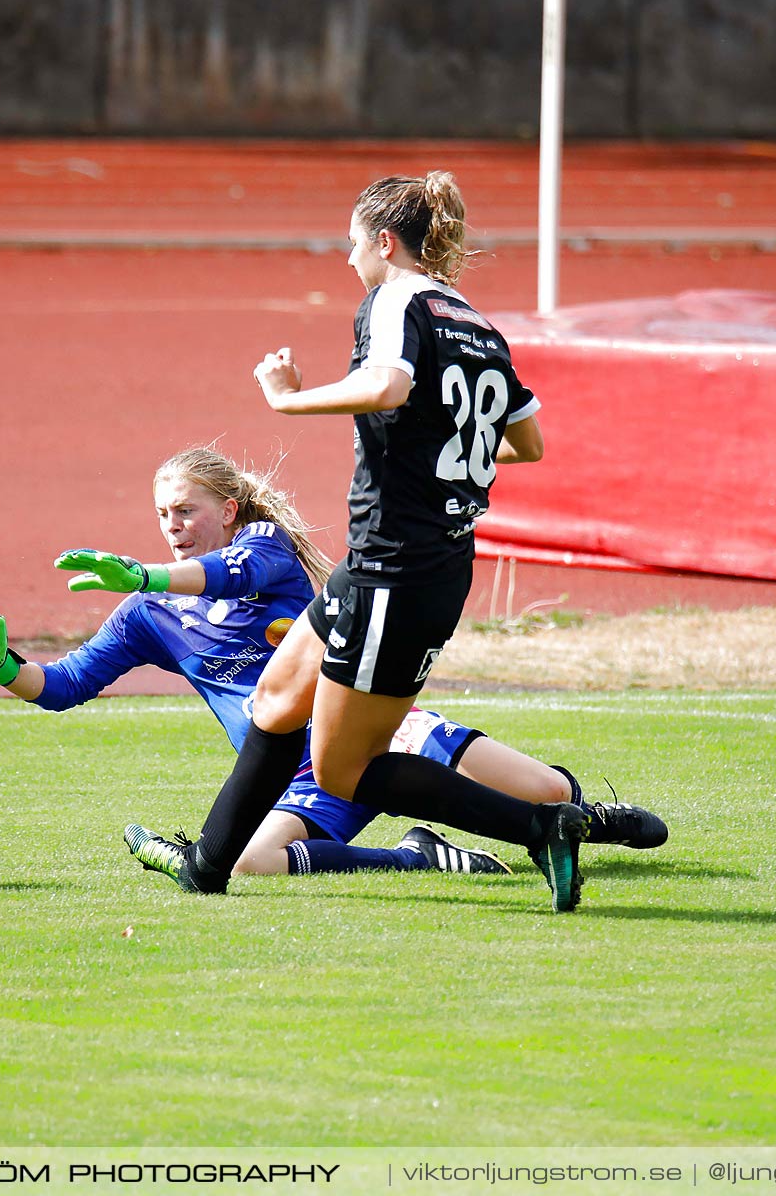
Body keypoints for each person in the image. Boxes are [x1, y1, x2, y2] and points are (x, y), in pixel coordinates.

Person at [126, 172, 598, 911]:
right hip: (396, 566)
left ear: (384, 242)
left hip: (398, 571)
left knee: (344, 768)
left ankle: (541, 827)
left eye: (353, 244)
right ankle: (209, 865)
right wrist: (446, 454)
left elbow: (387, 386)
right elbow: (527, 443)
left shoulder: (396, 297)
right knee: (279, 696)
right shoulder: (475, 320)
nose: (349, 260)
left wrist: (286, 399)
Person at [0, 446, 666, 881]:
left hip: (375, 730)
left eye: (185, 510)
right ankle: (418, 857)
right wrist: (3, 667)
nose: (172, 525)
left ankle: (587, 818)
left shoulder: (265, 549)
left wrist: (147, 572)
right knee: (251, 861)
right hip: (299, 773)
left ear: (228, 509)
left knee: (543, 789)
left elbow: (226, 578)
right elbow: (63, 688)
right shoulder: (147, 615)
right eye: (161, 514)